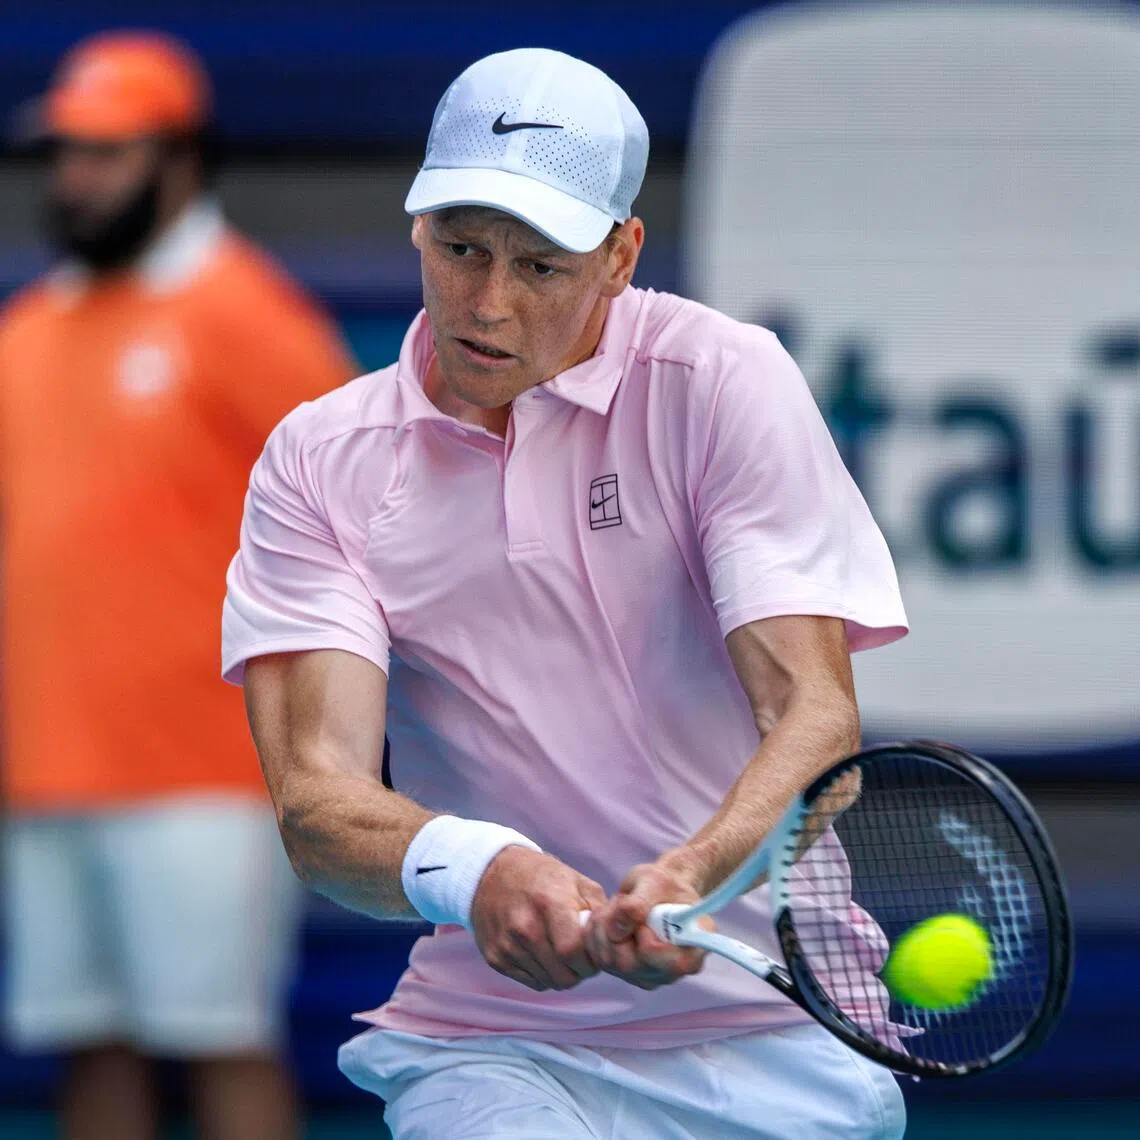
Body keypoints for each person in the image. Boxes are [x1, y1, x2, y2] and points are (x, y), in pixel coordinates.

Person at [223, 47, 910, 1140]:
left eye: (540, 266)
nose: (487, 304)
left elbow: (816, 723)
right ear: (418, 227)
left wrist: (693, 874)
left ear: (621, 256)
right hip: (496, 1046)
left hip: (782, 1036)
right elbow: (317, 802)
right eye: (461, 248)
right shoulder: (319, 463)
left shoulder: (722, 382)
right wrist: (476, 869)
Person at [0, 31, 356, 1140]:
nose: (77, 177)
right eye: (67, 152)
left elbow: (359, 526)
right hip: (45, 768)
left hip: (207, 770)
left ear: (181, 159)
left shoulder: (251, 317)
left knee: (221, 1042)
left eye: (107, 152)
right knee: (89, 1048)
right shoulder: (27, 330)